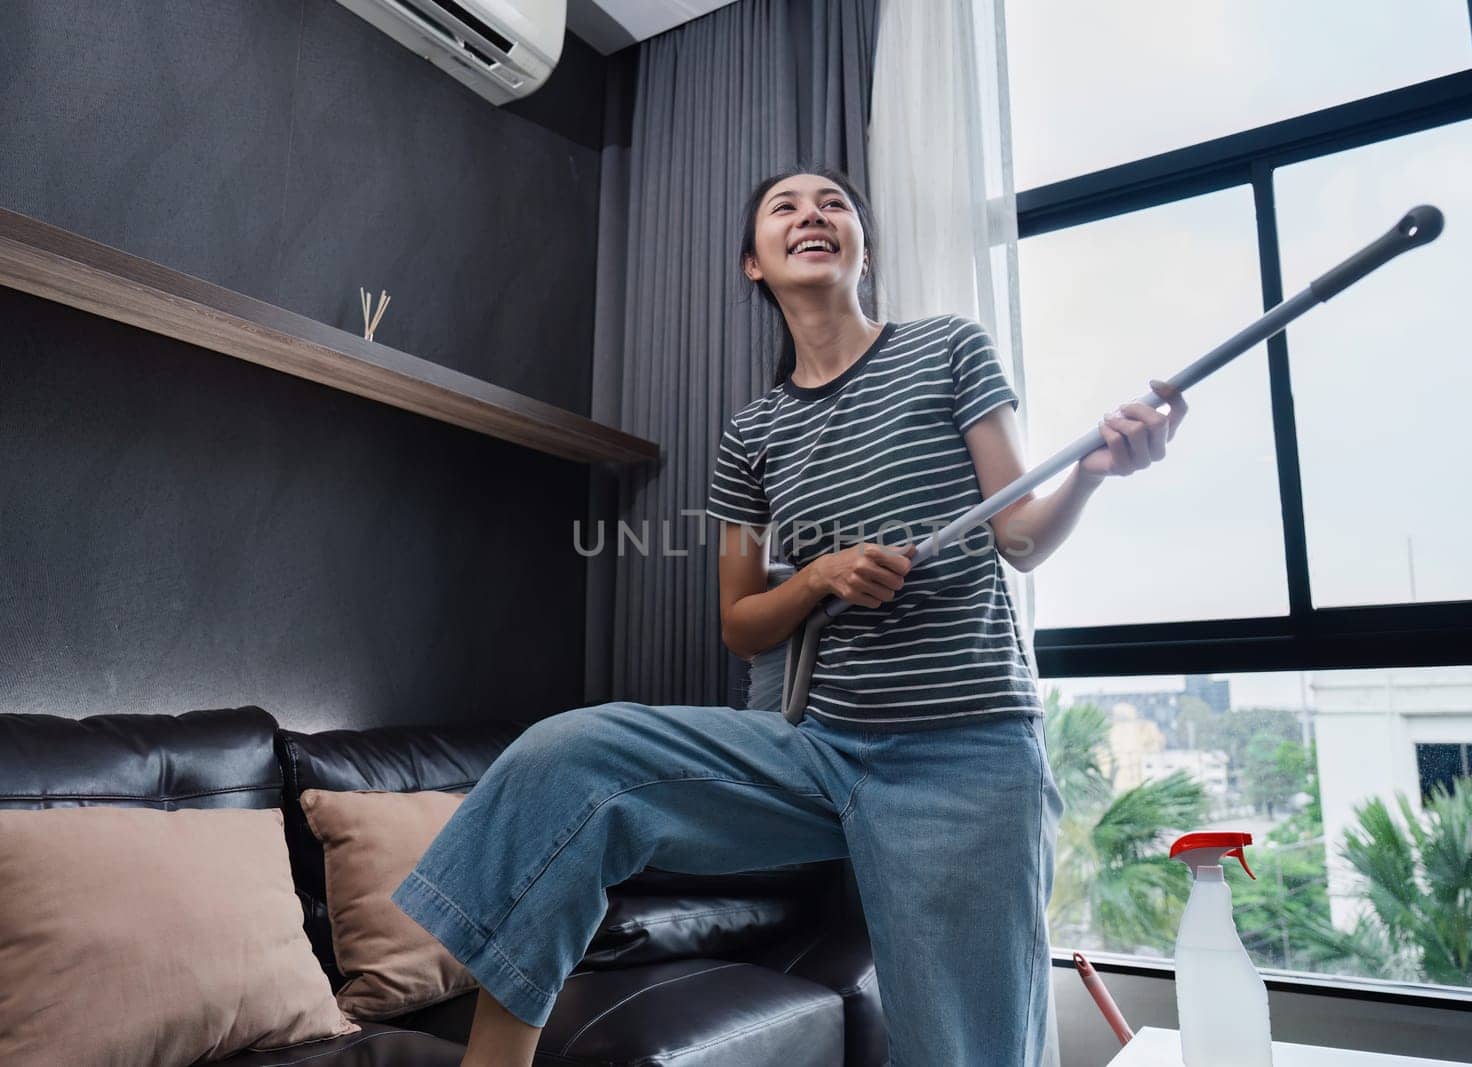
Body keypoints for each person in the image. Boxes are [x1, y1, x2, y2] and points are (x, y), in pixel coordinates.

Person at [391, 165, 1188, 1066]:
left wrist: (1090, 470)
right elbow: (741, 622)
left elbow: (1024, 537)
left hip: (964, 757)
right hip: (813, 748)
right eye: (786, 207)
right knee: (569, 761)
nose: (813, 214)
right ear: (752, 264)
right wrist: (818, 577)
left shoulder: (950, 351)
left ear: (862, 246)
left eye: (834, 204)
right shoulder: (751, 434)